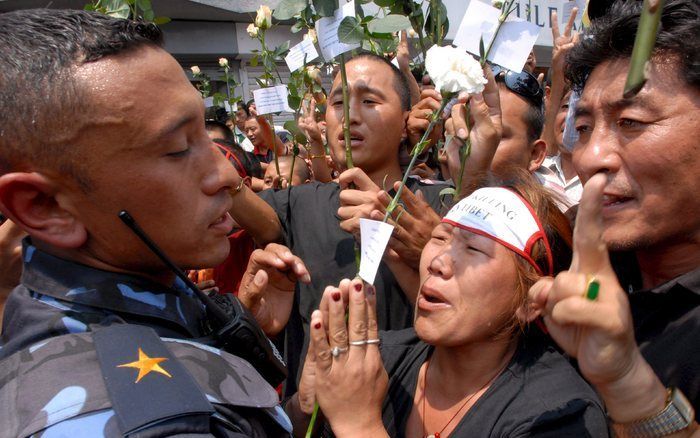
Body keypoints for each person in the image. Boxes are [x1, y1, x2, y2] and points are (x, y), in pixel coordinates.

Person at [0, 9, 305, 435]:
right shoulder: (150, 423)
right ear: (45, 206)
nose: (226, 177)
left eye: (205, 133)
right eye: (179, 148)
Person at [290, 173, 609, 437]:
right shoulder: (375, 362)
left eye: (474, 249)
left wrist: (359, 425)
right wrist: (306, 410)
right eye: (441, 238)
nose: (439, 261)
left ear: (530, 302)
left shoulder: (559, 414)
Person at [530, 0, 699, 435]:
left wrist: (629, 387)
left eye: (630, 121)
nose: (590, 158)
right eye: (583, 128)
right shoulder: (572, 267)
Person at [259, 53, 452, 396]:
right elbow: (229, 203)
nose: (350, 115)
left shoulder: (438, 209)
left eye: (368, 100)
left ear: (407, 120)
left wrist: (422, 247)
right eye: (338, 102)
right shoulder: (299, 202)